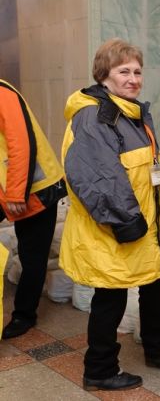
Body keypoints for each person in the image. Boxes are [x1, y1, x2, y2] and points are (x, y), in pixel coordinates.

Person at [59, 38, 160, 392]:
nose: (133, 79)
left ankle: (158, 350)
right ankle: (99, 369)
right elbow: (97, 177)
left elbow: (146, 168)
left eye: (137, 72)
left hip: (147, 224)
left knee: (154, 286)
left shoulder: (132, 113)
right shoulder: (95, 116)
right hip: (114, 228)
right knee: (110, 297)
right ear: (104, 75)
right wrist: (126, 219)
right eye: (123, 71)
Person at [0, 79, 67, 339]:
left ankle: (24, 315)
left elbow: (21, 143)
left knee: (32, 256)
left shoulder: (3, 93)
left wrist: (17, 192)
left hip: (36, 189)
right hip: (6, 188)